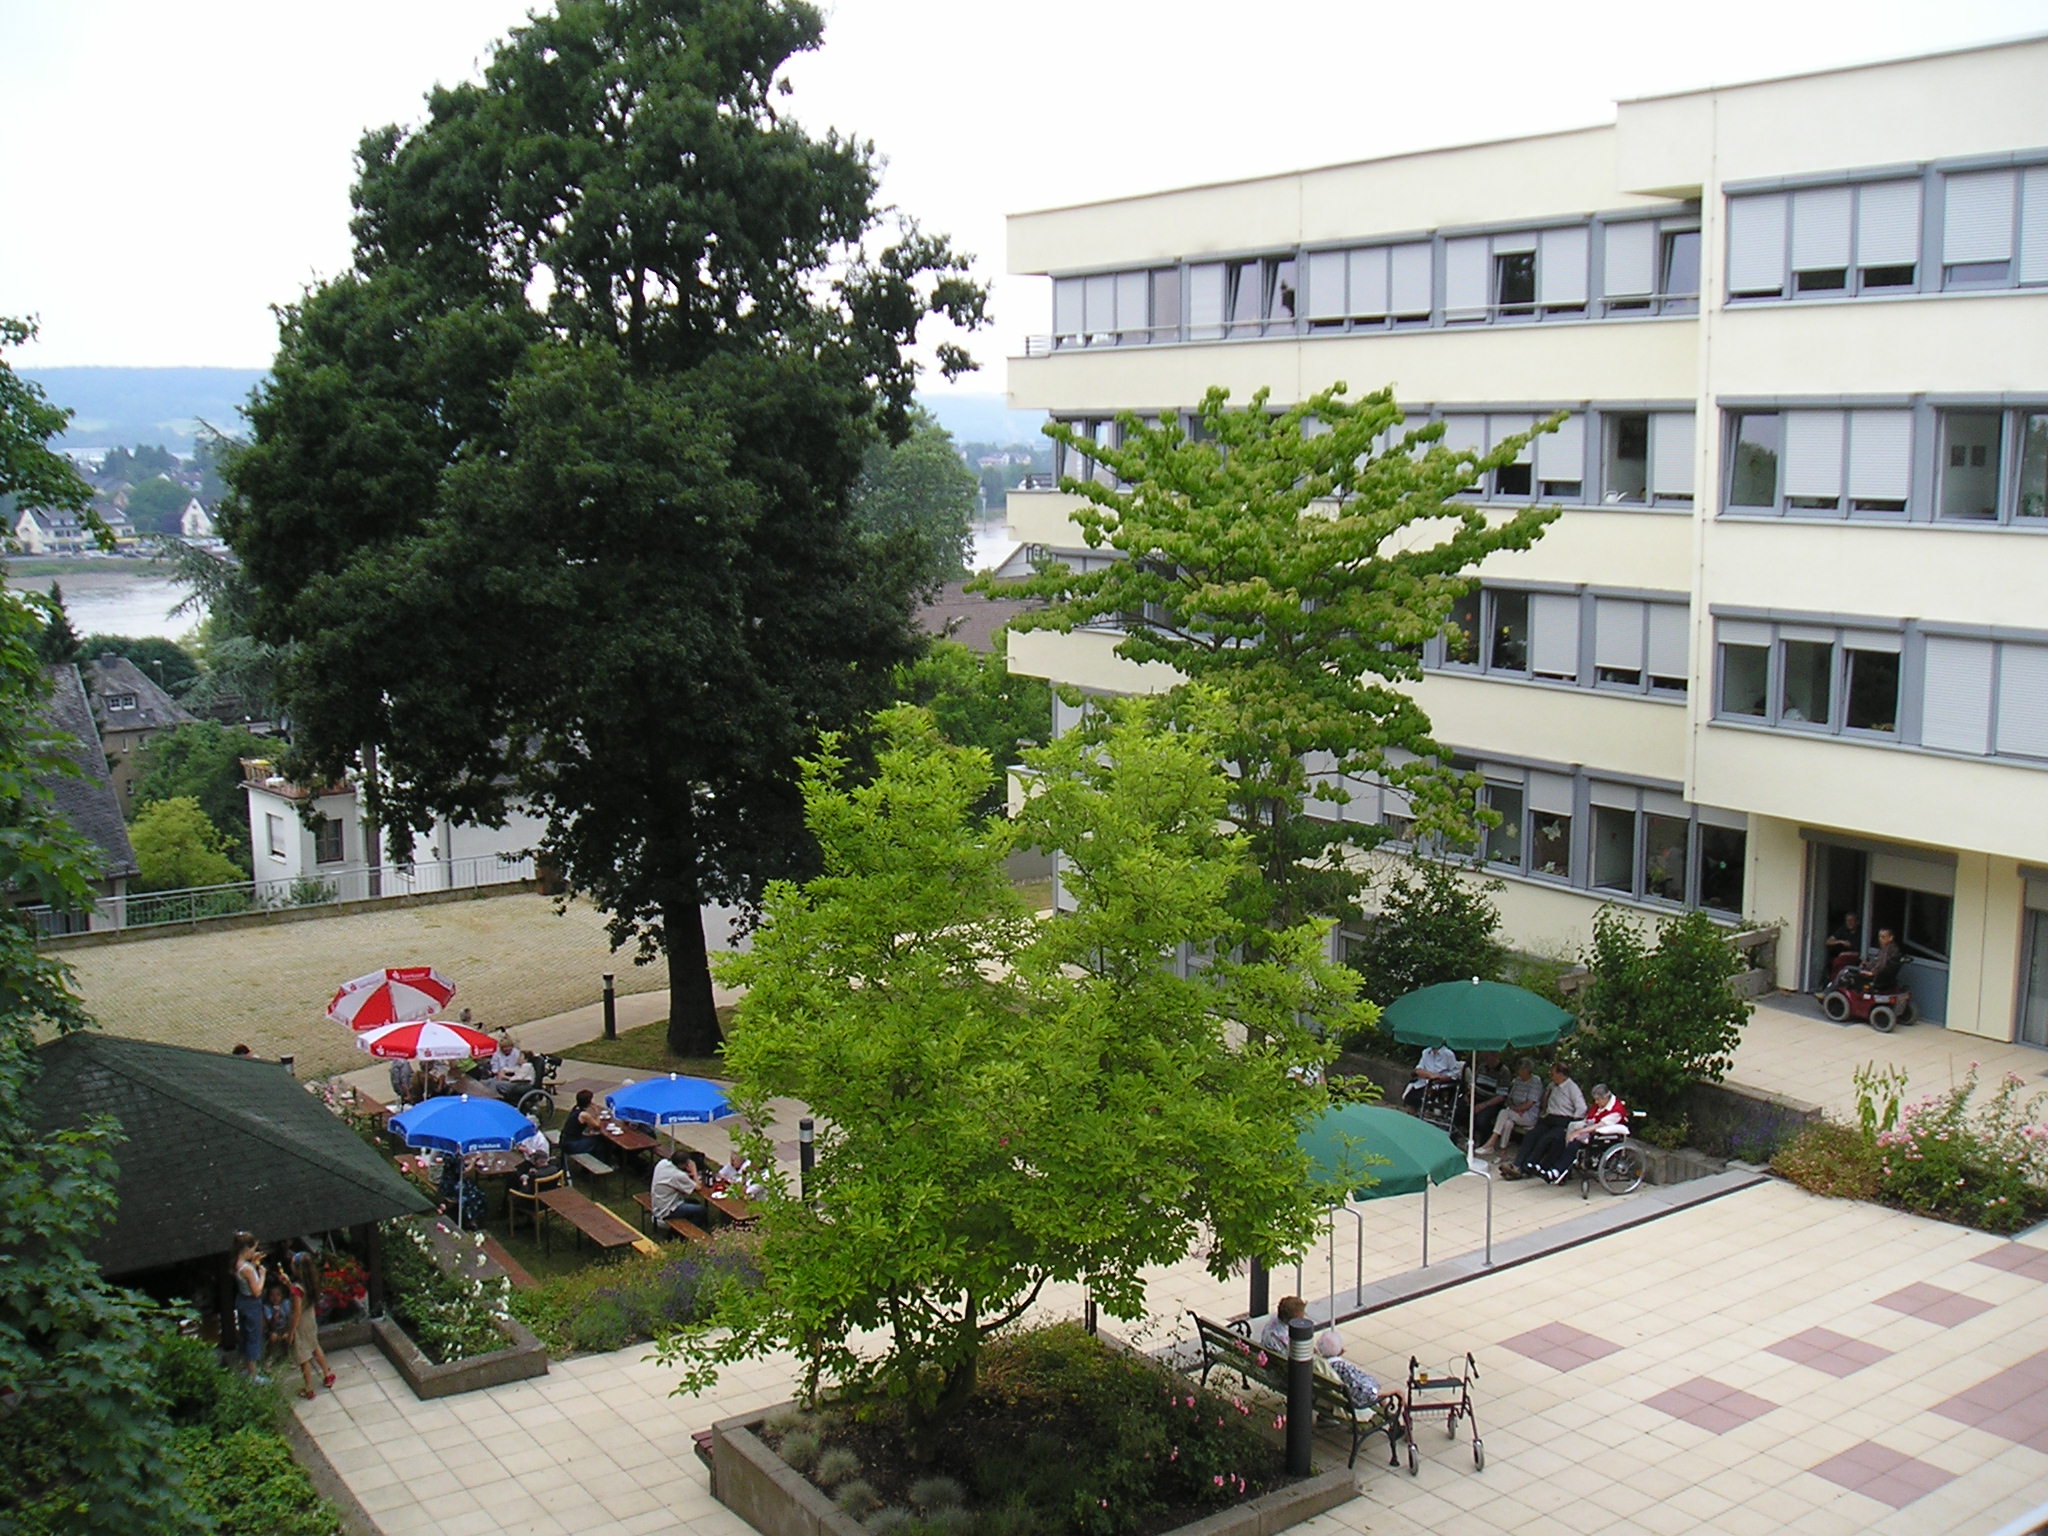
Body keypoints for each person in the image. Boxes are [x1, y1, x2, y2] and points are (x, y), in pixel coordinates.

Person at [1261, 1295, 1379, 1410]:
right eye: (1302, 1315)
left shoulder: (1273, 1324)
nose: (1304, 1316)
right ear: (1294, 1318)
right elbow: (1304, 1361)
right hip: (1290, 1378)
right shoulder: (1288, 1337)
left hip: (1275, 1370)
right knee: (1333, 1374)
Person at [1502, 1062, 1586, 1183]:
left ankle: (1528, 1166)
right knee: (1532, 1135)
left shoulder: (1572, 1088)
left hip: (1563, 1120)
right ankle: (1517, 1165)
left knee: (1546, 1138)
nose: (1550, 1076)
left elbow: (1582, 1107)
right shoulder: (1552, 1086)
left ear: (1561, 1074)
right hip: (1549, 1118)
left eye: (1553, 1073)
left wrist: (1573, 1123)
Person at [287, 1251, 336, 1398]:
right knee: (315, 1346)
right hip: (311, 1320)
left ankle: (308, 1388)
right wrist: (288, 1283)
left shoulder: (297, 1289)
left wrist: (291, 1333)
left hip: (301, 1325)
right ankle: (327, 1374)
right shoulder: (310, 1283)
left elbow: (297, 1312)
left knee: (303, 1357)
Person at [1473, 1058, 1543, 1159]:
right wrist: (1514, 1108)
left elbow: (1529, 1104)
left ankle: (1491, 1142)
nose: (1518, 1071)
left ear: (1526, 1070)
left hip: (1529, 1115)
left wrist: (1517, 1109)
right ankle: (1503, 1150)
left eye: (1520, 1069)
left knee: (1504, 1113)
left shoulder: (1535, 1082)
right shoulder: (1517, 1080)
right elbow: (1509, 1098)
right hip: (1515, 1112)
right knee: (1507, 1123)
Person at [231, 1231, 268, 1383]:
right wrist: (262, 1274)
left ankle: (248, 1368)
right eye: (253, 1249)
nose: (254, 1251)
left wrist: (253, 1262)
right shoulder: (247, 1269)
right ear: (247, 1248)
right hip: (251, 1304)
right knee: (253, 1337)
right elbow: (257, 1291)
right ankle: (253, 1375)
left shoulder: (237, 1263)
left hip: (242, 1300)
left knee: (245, 1335)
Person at [1400, 1040, 1459, 1115]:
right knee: (1411, 1095)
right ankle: (1412, 1115)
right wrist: (1431, 1075)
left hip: (1439, 1085)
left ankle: (1423, 1114)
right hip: (1423, 1082)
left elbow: (1454, 1074)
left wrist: (1439, 1077)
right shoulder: (1425, 1052)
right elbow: (1418, 1070)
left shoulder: (1449, 1054)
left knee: (1425, 1095)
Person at [1566, 1084, 1629, 1150]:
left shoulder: (1616, 1111)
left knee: (1574, 1143)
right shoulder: (1601, 1104)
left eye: (1598, 1099)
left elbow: (1599, 1125)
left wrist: (1579, 1132)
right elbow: (1589, 1117)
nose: (1596, 1102)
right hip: (1590, 1127)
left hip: (1601, 1134)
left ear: (1605, 1098)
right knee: (1572, 1126)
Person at [651, 1151, 707, 1224]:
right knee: (701, 1210)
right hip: (667, 1210)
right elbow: (698, 1187)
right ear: (681, 1165)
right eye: (687, 1163)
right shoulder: (678, 1175)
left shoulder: (662, 1163)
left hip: (658, 1203)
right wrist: (694, 1171)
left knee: (694, 1202)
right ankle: (687, 1228)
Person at [561, 1089, 604, 1158]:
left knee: (594, 1138)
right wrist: (597, 1112)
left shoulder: (575, 1108)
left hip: (564, 1140)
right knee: (600, 1141)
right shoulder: (584, 1115)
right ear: (588, 1102)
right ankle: (600, 1161)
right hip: (572, 1145)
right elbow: (597, 1126)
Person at [1822, 912, 1861, 984]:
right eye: (1847, 920)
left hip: (1855, 959)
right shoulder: (1843, 930)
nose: (1849, 923)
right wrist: (1840, 942)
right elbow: (1828, 942)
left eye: (1852, 920)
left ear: (1857, 922)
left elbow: (1860, 953)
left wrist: (1845, 954)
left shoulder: (1861, 933)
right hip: (1841, 958)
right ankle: (1832, 983)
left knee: (1839, 962)